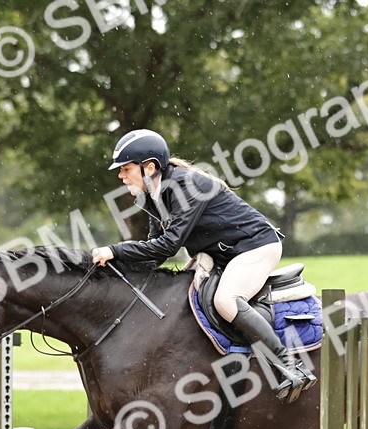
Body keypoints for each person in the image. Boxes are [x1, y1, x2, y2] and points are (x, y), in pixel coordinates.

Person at [90, 129, 315, 400]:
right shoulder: (153, 194)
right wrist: (120, 272)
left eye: (125, 168)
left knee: (226, 301)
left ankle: (290, 366)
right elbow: (155, 251)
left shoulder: (186, 186)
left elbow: (169, 245)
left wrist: (115, 251)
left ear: (149, 167)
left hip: (254, 247)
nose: (120, 175)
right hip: (223, 254)